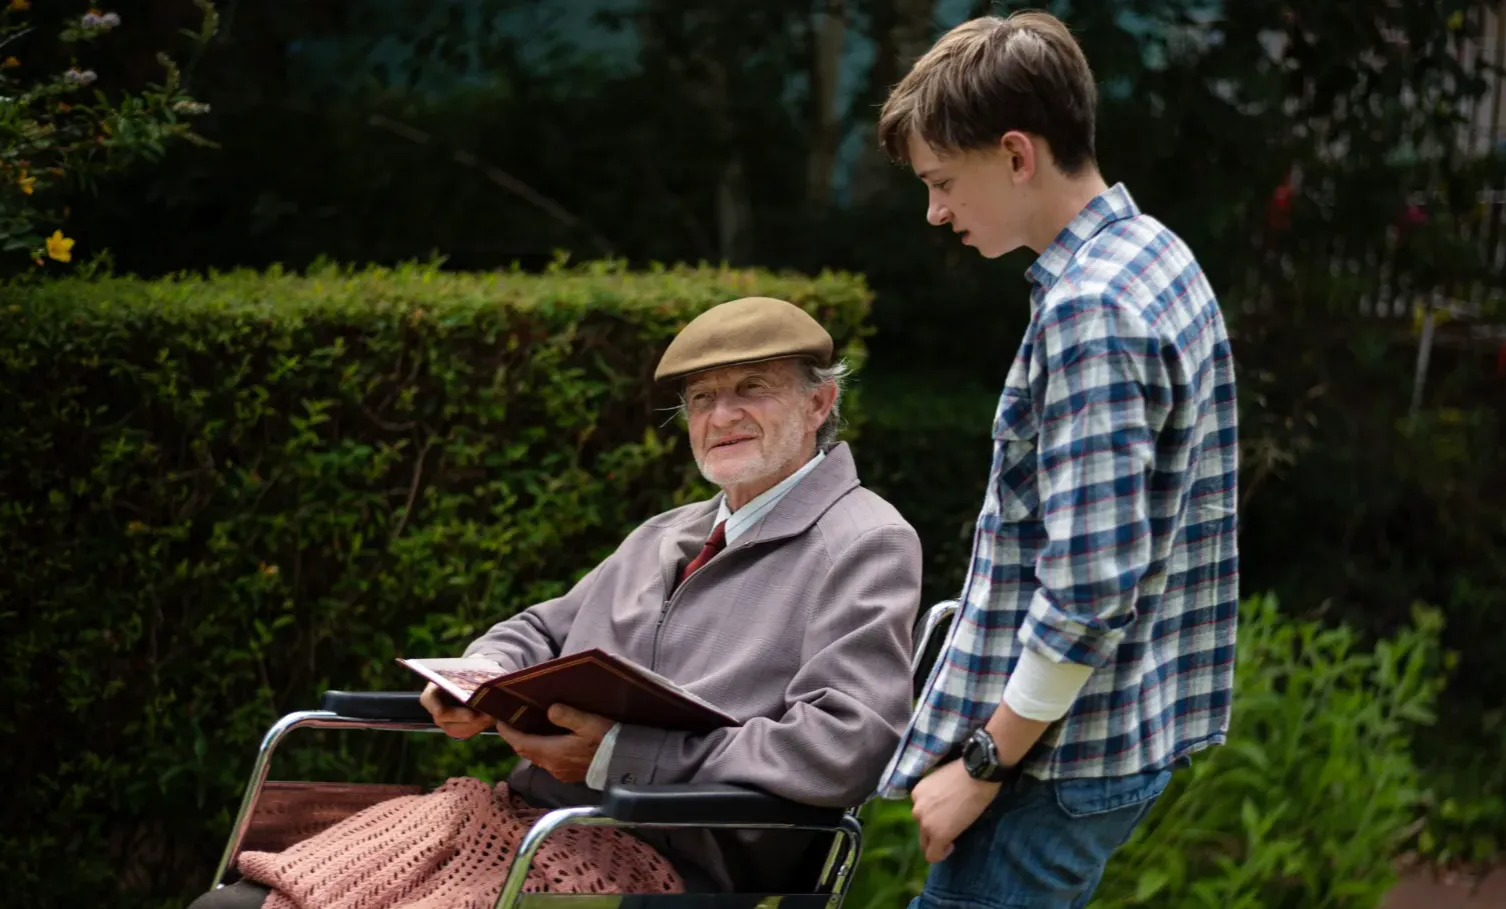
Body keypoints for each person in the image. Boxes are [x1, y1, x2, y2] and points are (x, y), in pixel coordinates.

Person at [192, 296, 923, 909]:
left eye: (751, 388)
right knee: (239, 901)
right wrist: (480, 677)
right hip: (525, 818)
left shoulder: (862, 540)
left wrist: (617, 756)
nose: (721, 414)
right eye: (702, 397)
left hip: (670, 854)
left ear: (819, 401)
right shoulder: (668, 532)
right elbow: (542, 627)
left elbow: (843, 744)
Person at [870, 10, 1241, 909]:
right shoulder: (1152, 252)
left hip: (1056, 759)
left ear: (1015, 154)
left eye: (943, 180)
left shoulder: (1092, 311)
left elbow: (1090, 584)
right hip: (1111, 730)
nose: (936, 210)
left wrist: (984, 763)